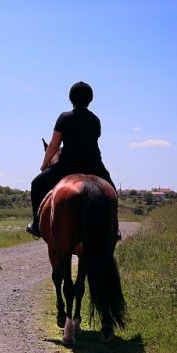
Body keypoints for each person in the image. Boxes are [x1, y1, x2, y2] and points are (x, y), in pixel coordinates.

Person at [26, 82, 116, 237]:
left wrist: (44, 165)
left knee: (36, 184)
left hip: (68, 164)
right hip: (93, 164)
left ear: (70, 98)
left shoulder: (64, 117)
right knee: (112, 191)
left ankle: (36, 224)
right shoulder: (95, 120)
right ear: (90, 99)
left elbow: (54, 145)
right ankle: (114, 229)